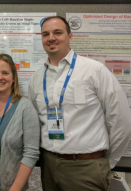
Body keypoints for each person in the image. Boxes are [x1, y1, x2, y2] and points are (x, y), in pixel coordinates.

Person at [28, 16, 131, 191]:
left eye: (57, 32)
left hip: (86, 167)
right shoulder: (36, 78)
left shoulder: (94, 70)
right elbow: (34, 123)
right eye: (45, 34)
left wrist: (106, 162)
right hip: (48, 165)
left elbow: (120, 120)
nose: (51, 38)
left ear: (70, 36)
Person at [0, 54, 40, 191]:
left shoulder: (25, 108)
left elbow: (31, 153)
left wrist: (15, 189)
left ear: (13, 78)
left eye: (5, 73)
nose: (0, 77)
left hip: (10, 187)